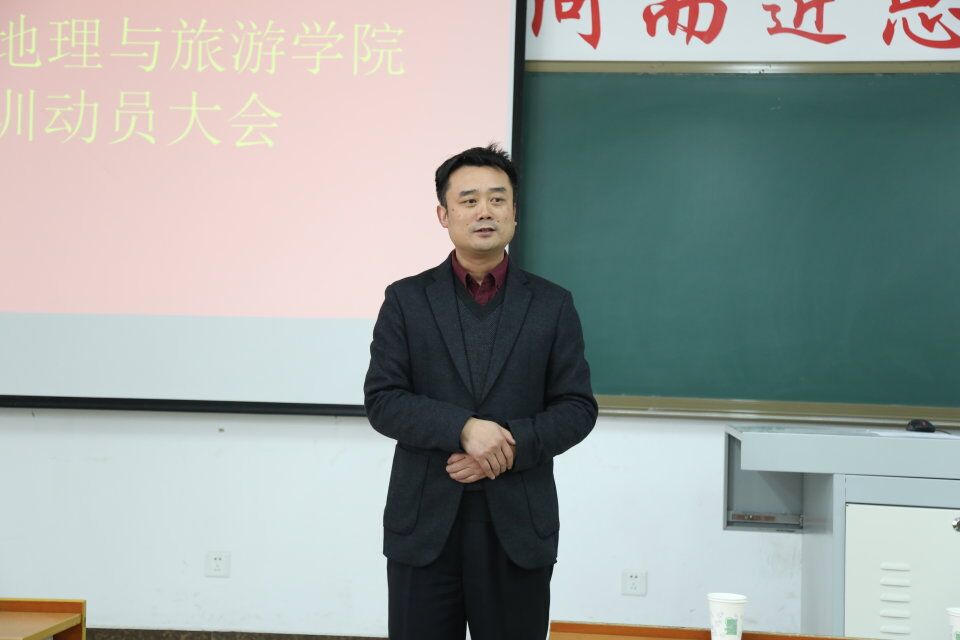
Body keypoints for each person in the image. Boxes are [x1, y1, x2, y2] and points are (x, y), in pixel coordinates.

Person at [364, 144, 597, 640]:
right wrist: (464, 430)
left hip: (518, 526)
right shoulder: (406, 300)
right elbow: (383, 400)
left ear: (515, 211)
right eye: (469, 200)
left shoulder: (552, 304)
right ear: (444, 215)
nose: (484, 211)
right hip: (424, 526)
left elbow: (577, 408)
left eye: (497, 198)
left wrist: (503, 447)